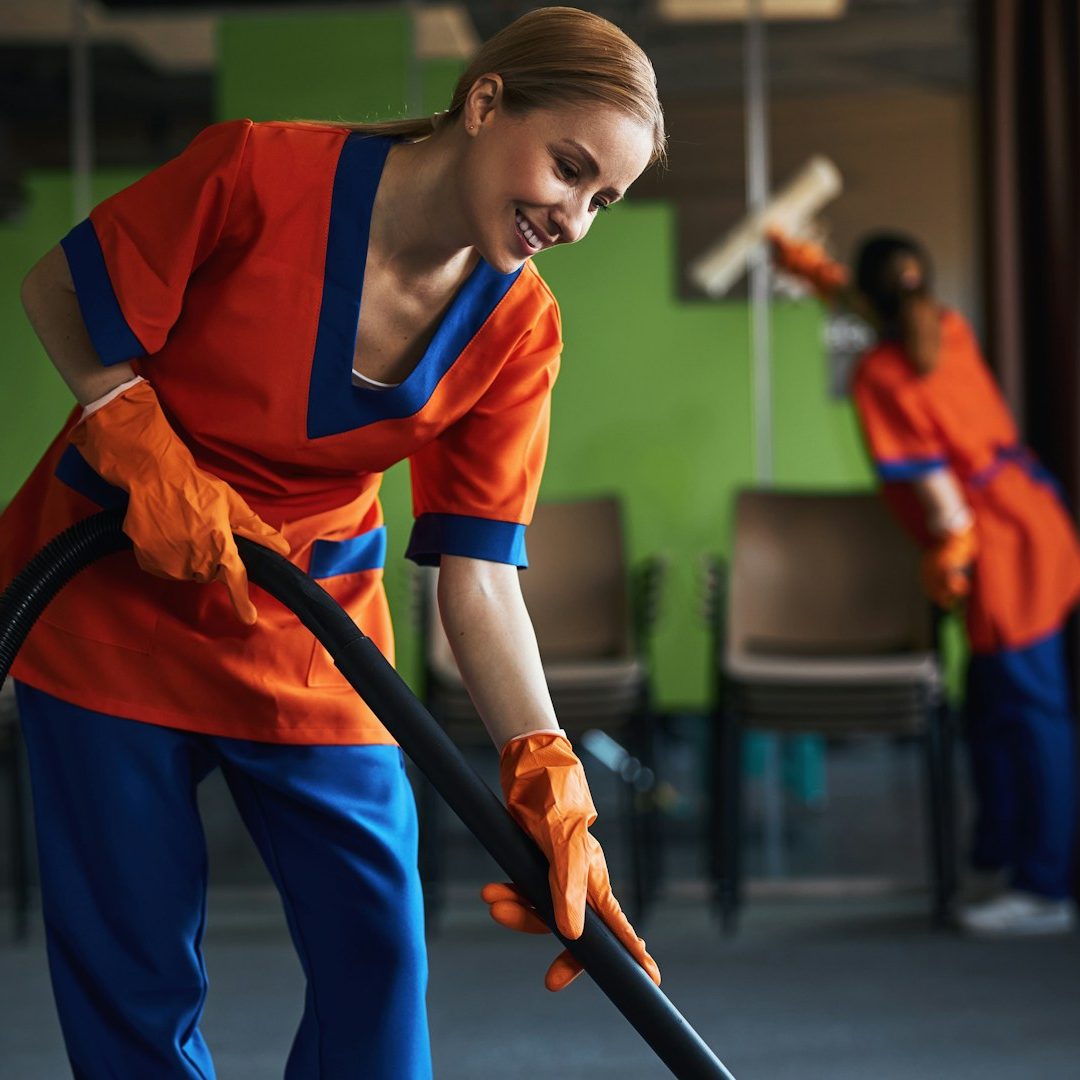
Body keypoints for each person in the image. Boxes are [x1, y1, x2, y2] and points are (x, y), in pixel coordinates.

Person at [0, 8, 665, 1075]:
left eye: (603, 200)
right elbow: (58, 289)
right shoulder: (258, 174)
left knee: (376, 957)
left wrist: (544, 763)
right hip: (112, 595)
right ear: (485, 102)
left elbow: (482, 575)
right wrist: (131, 431)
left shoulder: (519, 329)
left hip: (309, 627)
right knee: (134, 976)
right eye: (569, 168)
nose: (574, 219)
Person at [770, 228, 1080, 937]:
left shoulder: (880, 373)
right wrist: (816, 275)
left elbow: (941, 498)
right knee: (999, 703)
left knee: (1033, 711)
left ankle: (1044, 889)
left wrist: (950, 556)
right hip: (1035, 516)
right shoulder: (946, 326)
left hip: (1000, 546)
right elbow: (877, 308)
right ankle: (1003, 857)